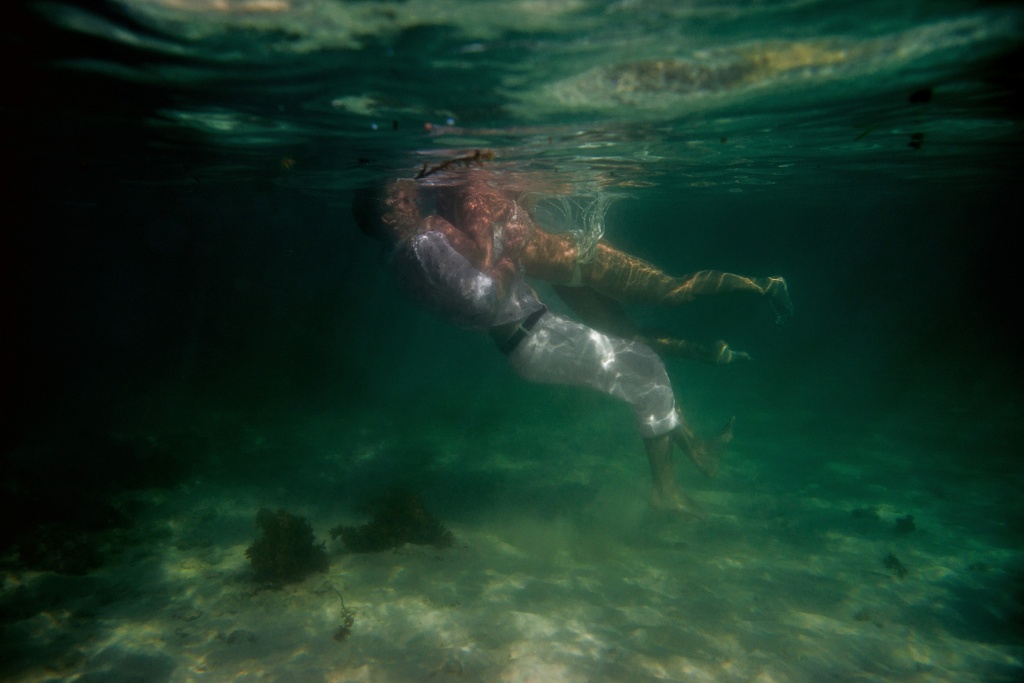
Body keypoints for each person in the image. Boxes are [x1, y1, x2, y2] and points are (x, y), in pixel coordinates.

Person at [352, 165, 787, 517]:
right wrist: (510, 257)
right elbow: (482, 296)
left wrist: (500, 258)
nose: (413, 195)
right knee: (650, 359)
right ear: (388, 216)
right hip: (537, 329)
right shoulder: (436, 232)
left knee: (639, 361)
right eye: (400, 198)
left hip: (528, 333)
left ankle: (697, 452)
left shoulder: (403, 255)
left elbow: (471, 289)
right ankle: (666, 491)